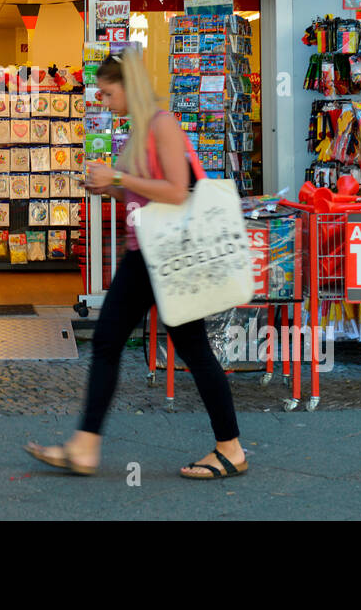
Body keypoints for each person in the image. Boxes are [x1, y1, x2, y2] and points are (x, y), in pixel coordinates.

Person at [24, 47, 247, 480]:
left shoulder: (161, 124)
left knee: (175, 348)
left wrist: (119, 178)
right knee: (121, 343)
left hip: (162, 256)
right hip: (147, 253)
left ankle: (230, 448)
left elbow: (178, 191)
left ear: (129, 87)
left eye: (108, 94)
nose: (105, 103)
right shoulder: (139, 129)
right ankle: (87, 446)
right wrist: (107, 187)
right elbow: (144, 192)